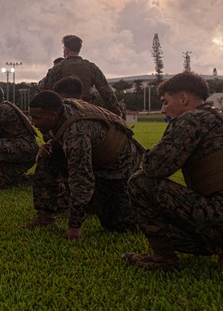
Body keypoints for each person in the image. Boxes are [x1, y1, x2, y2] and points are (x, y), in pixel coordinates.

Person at [124, 71, 223, 272]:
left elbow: (154, 168)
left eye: (166, 102)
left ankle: (162, 258)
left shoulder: (192, 119)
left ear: (183, 98)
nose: (163, 109)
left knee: (139, 182)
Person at [24, 90, 141, 239]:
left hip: (117, 169)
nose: (33, 123)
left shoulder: (77, 134)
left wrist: (74, 226)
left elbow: (81, 179)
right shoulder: (61, 111)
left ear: (53, 115)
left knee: (120, 226)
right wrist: (51, 144)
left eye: (36, 118)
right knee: (47, 155)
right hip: (95, 159)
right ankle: (44, 218)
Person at [38, 35, 121, 115]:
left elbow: (44, 89)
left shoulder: (57, 68)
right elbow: (106, 91)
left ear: (66, 50)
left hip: (63, 112)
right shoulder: (91, 68)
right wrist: (116, 111)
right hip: (87, 111)